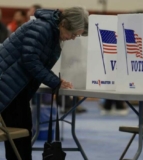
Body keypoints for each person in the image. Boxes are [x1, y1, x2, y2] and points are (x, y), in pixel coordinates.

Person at [0, 6, 88, 160]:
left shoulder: (50, 29)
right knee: (20, 134)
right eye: (73, 34)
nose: (73, 38)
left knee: (21, 133)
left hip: (14, 85)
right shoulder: (42, 28)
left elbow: (36, 61)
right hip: (7, 83)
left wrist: (55, 79)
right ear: (64, 24)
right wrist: (54, 81)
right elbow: (30, 60)